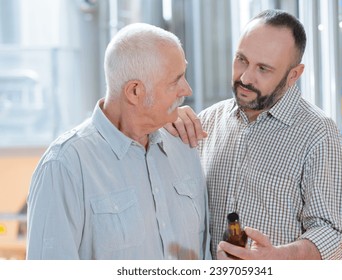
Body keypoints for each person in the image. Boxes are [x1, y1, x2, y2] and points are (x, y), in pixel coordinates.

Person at [165, 9, 342, 260]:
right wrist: (162, 123)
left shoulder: (319, 134)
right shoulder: (208, 120)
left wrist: (276, 258)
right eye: (241, 59)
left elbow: (334, 236)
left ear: (293, 75)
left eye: (263, 69)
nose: (245, 77)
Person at [26, 23, 211, 260]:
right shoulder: (64, 167)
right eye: (175, 81)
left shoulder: (184, 146)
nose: (187, 89)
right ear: (134, 92)